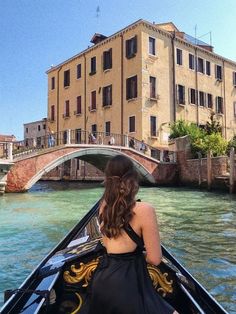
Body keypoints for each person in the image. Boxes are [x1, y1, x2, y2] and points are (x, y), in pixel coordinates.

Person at [88, 155, 177, 314]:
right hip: (129, 285)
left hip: (102, 281)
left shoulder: (103, 207)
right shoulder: (145, 210)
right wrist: (139, 255)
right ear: (133, 179)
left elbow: (108, 243)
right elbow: (155, 259)